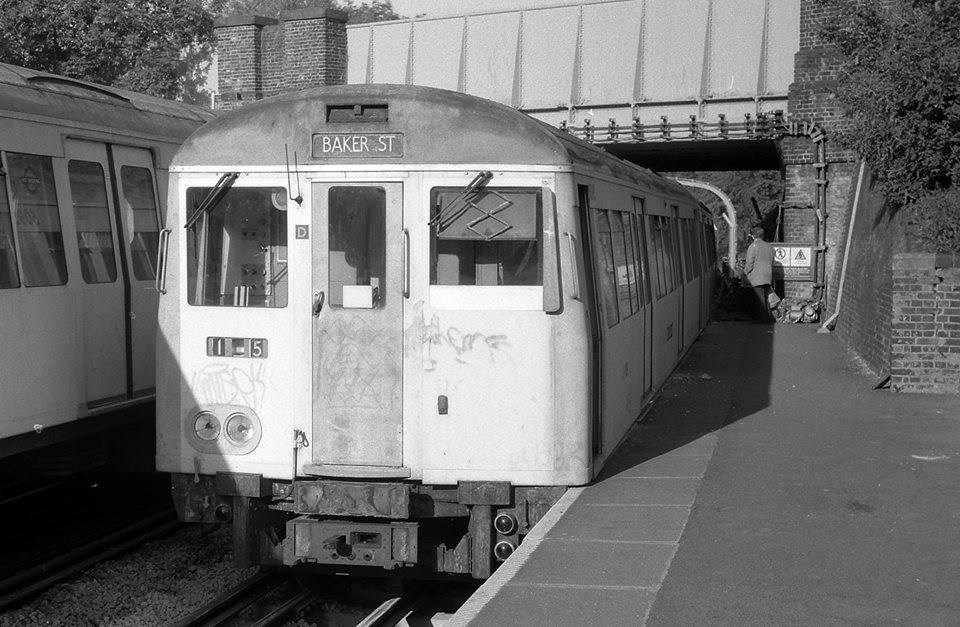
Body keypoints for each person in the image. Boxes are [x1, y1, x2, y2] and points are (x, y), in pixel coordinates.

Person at [744, 226, 774, 322]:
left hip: (756, 277)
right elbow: (772, 261)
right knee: (766, 298)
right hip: (768, 276)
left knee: (759, 299)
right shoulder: (769, 247)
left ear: (753, 236)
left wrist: (745, 273)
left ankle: (762, 319)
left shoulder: (753, 247)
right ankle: (768, 317)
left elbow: (749, 263)